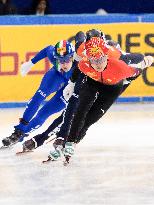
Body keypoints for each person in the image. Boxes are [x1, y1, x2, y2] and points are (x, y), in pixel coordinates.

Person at [21, 30, 153, 158]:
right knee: (74, 108)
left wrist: (144, 62)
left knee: (89, 116)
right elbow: (79, 38)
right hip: (93, 77)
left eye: (99, 57)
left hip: (113, 81)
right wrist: (72, 83)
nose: (96, 59)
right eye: (91, 55)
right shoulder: (84, 49)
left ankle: (69, 138)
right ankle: (51, 137)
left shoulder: (118, 58)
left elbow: (138, 61)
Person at [1, 40, 75, 147]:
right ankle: (18, 133)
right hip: (56, 76)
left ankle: (23, 135)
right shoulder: (54, 58)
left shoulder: (81, 64)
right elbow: (47, 49)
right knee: (37, 98)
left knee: (44, 112)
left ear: (73, 57)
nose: (64, 64)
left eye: (67, 60)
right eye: (60, 60)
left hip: (72, 85)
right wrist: (31, 63)